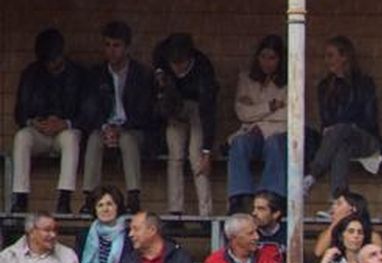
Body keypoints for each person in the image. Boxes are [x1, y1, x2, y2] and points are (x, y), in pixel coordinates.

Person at [79, 22, 156, 215]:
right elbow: (90, 108)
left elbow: (145, 111)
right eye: (107, 45)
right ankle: (90, 197)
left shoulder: (141, 74)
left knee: (128, 140)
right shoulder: (96, 74)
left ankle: (133, 196)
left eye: (116, 46)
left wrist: (122, 128)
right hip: (105, 128)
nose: (111, 51)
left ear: (127, 48)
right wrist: (105, 127)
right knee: (94, 139)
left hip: (132, 128)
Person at [10, 29, 85, 216]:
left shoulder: (78, 74)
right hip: (40, 131)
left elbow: (87, 113)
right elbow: (19, 112)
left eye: (54, 59)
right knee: (22, 137)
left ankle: (64, 198)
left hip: (64, 130)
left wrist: (65, 123)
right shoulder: (31, 73)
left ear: (62, 54)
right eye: (47, 61)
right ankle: (20, 197)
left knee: (71, 139)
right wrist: (33, 122)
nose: (51, 64)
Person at [306, 36, 382, 203]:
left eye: (331, 55)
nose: (327, 60)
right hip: (339, 140)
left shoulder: (363, 83)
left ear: (345, 57)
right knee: (341, 146)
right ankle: (338, 201)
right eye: (326, 56)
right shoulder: (325, 86)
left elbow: (370, 119)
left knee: (341, 130)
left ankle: (312, 175)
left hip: (365, 138)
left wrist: (346, 126)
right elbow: (326, 119)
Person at [151, 33, 218, 216]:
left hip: (198, 108)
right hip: (175, 108)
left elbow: (208, 111)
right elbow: (157, 55)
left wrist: (207, 151)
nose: (177, 68)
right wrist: (160, 75)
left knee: (196, 157)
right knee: (175, 156)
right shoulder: (162, 57)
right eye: (174, 63)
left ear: (190, 58)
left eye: (181, 63)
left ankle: (206, 213)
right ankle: (175, 211)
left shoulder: (204, 70)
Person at [225, 35, 288, 212]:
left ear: (280, 59)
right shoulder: (246, 79)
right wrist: (271, 106)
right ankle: (240, 198)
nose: (266, 62)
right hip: (251, 131)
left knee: (275, 144)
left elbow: (289, 115)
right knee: (239, 143)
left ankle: (270, 197)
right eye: (263, 57)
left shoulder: (289, 81)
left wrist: (257, 117)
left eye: (272, 58)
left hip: (278, 132)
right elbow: (242, 112)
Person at [111, 210, 199, 263]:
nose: (130, 234)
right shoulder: (130, 260)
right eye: (130, 230)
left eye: (136, 229)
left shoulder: (179, 258)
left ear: (152, 230)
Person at [0, 212, 86, 263]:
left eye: (55, 230)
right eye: (47, 230)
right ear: (31, 232)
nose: (53, 235)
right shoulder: (7, 256)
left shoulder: (68, 255)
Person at [77, 185, 130, 263]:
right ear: (94, 210)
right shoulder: (83, 236)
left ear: (117, 207)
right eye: (100, 205)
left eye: (109, 204)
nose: (105, 209)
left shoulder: (129, 236)